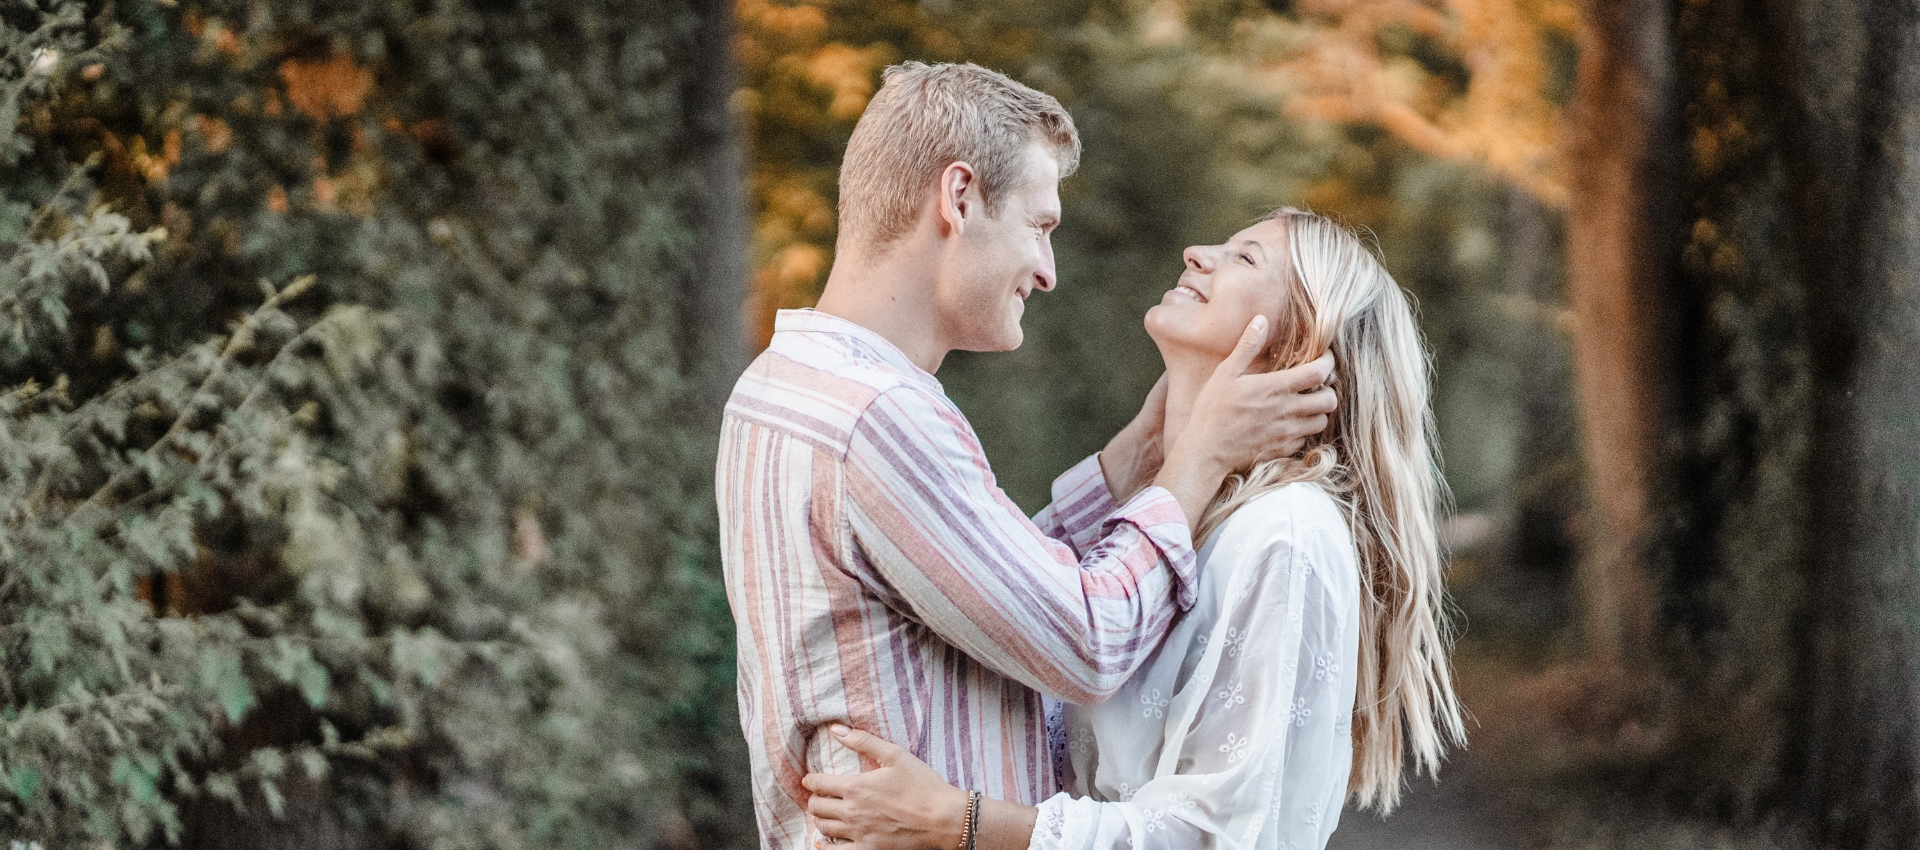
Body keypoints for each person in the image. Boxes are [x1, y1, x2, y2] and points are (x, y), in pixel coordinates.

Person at [716, 63, 1340, 849]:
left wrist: (1134, 458)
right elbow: (1086, 641)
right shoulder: (878, 416)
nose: (1047, 272)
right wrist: (1197, 460)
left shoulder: (786, 384)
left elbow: (981, 583)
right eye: (1040, 227)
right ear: (960, 198)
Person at [799, 208, 1465, 850]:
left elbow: (1222, 838)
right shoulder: (1173, 509)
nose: (1198, 254)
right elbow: (1030, 608)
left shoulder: (1285, 532)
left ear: (1297, 342)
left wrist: (959, 823)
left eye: (1245, 257)